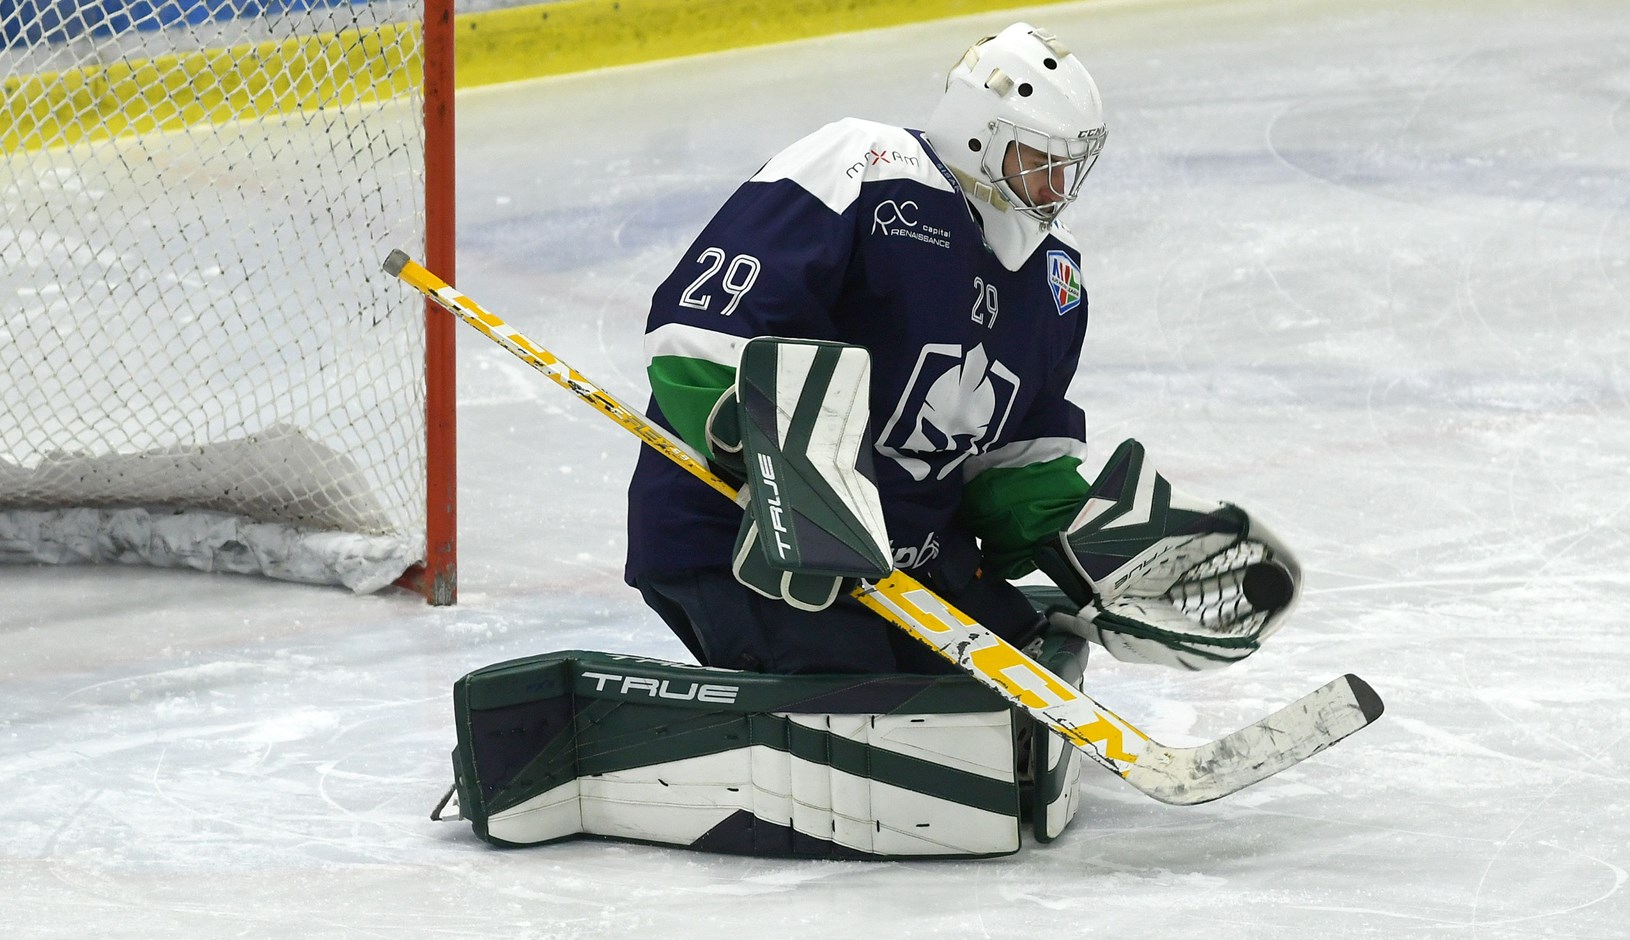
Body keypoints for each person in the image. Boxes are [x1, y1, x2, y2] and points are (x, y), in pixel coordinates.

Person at [624, 23, 1299, 677]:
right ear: (979, 132)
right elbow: (704, 332)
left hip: (909, 562)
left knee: (1024, 666)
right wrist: (763, 455)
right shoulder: (865, 167)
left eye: (1067, 170)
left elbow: (1013, 463)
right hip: (740, 537)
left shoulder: (1053, 280)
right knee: (858, 693)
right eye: (1037, 162)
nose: (1053, 191)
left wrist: (1102, 553)